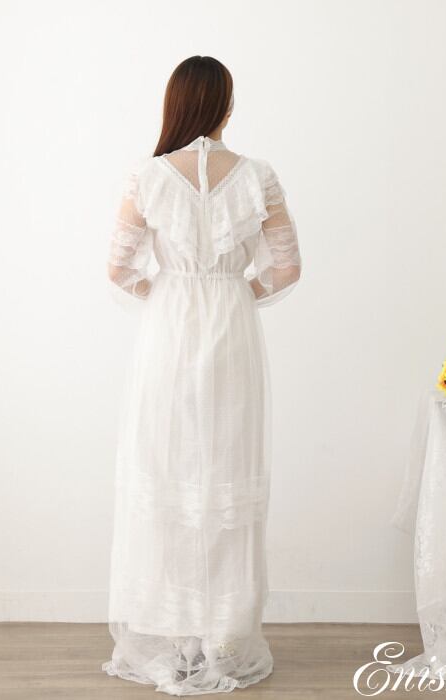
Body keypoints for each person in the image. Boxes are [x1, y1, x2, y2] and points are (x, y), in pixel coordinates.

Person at [101, 55, 302, 695]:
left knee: (168, 471)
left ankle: (175, 636)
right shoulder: (258, 176)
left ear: (176, 103)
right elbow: (287, 267)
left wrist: (164, 294)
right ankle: (222, 638)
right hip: (232, 330)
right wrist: (237, 291)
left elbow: (118, 268)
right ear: (225, 106)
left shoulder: (147, 176)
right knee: (225, 473)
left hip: (168, 331)